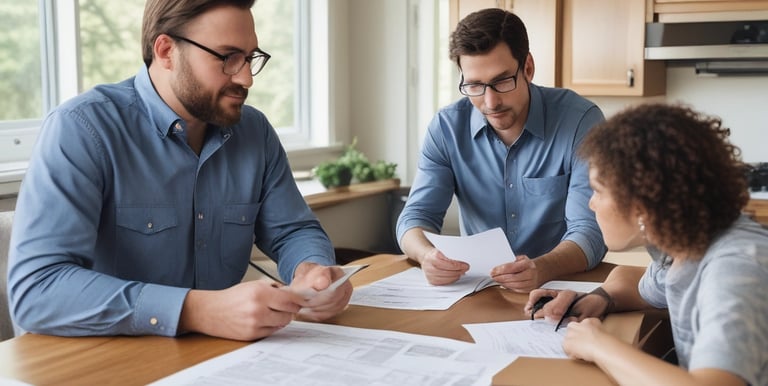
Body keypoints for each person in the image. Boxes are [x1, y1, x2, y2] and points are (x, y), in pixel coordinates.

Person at [8, 0, 352, 341]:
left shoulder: (255, 131)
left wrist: (312, 269)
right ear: (166, 51)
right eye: (227, 58)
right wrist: (197, 310)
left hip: (224, 358)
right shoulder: (82, 130)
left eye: (249, 58)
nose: (246, 77)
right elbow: (37, 290)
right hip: (107, 361)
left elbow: (293, 230)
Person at [527, 103, 768, 386]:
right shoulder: (685, 242)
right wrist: (595, 299)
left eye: (598, 191)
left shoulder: (735, 268)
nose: (591, 204)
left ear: (643, 205)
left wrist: (599, 347)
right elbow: (638, 284)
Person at [396, 8, 606, 292]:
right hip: (477, 290)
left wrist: (542, 267)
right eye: (474, 85)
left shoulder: (581, 122)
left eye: (502, 81)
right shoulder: (446, 129)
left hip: (560, 288)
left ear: (528, 68)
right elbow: (415, 217)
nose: (490, 102)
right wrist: (426, 255)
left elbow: (591, 231)